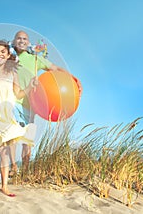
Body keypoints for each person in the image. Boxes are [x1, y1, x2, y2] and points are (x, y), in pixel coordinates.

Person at [9, 30, 83, 176]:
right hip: (14, 100)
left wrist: (72, 77)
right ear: (14, 40)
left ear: (28, 42)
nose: (22, 41)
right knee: (12, 135)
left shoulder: (36, 58)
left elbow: (54, 68)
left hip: (31, 104)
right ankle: (13, 167)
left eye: (24, 39)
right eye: (19, 38)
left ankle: (25, 170)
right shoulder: (10, 58)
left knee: (27, 139)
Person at [0, 40, 37, 197]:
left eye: (3, 52)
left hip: (8, 117)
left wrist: (30, 86)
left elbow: (18, 94)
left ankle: (4, 186)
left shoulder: (13, 74)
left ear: (8, 55)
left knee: (5, 149)